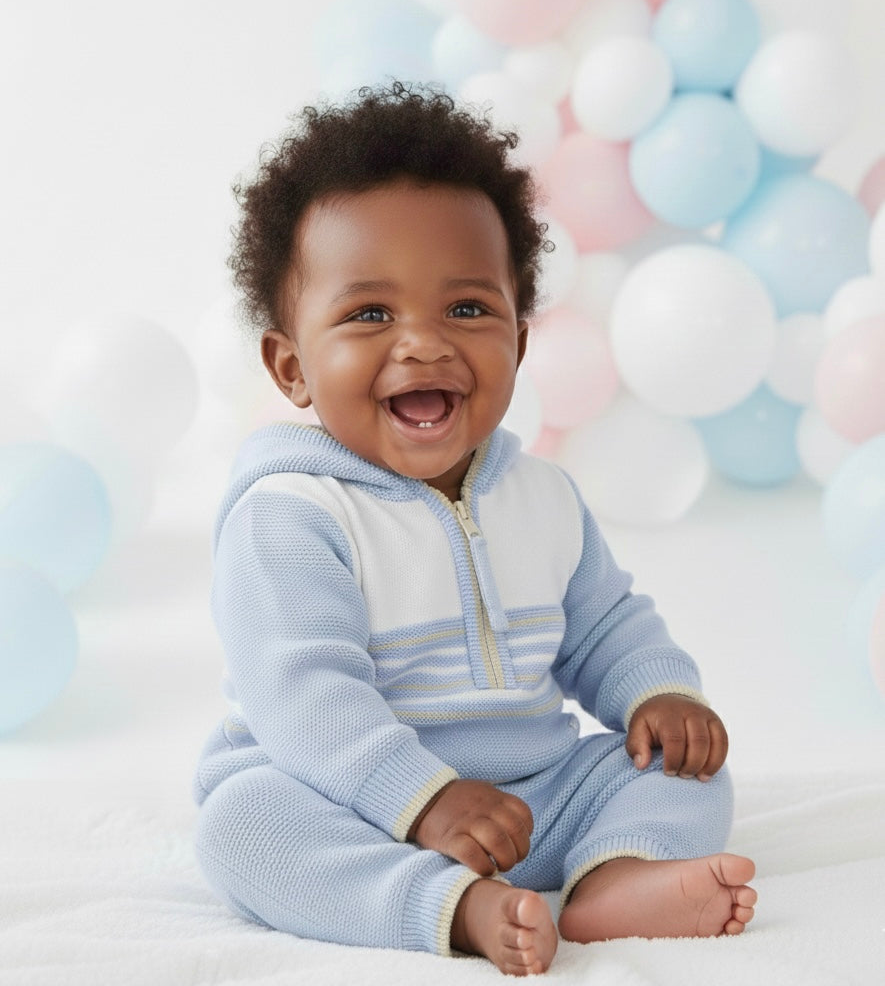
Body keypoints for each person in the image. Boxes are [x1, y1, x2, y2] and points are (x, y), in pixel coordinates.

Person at [193, 83, 756, 976]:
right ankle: (448, 908)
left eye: (465, 309)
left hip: (530, 802)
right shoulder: (289, 515)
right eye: (369, 314)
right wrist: (426, 802)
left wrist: (658, 696)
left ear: (518, 344)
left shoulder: (542, 498)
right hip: (352, 801)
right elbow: (307, 700)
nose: (423, 343)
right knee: (243, 826)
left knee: (685, 771)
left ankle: (614, 876)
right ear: (291, 366)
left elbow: (606, 627)